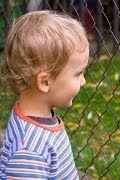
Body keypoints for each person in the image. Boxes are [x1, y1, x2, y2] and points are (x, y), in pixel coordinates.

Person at [0, 10, 89, 179]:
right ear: (45, 82)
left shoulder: (38, 122)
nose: (83, 81)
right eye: (78, 74)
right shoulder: (29, 150)